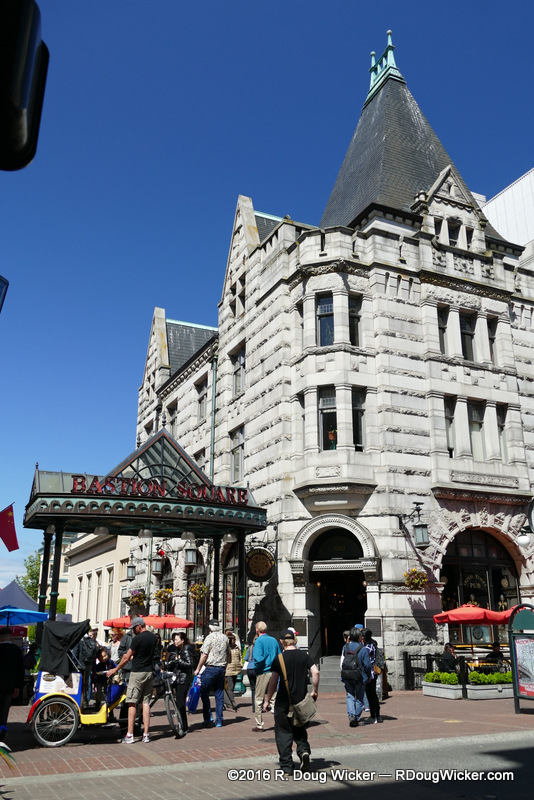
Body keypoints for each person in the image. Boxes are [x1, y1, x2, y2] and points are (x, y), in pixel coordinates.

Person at [263, 629, 319, 776]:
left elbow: (273, 681)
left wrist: (267, 700)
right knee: (300, 730)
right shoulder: (304, 655)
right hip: (301, 702)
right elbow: (315, 672)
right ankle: (303, 751)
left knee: (283, 734)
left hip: (283, 702)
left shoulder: (279, 658)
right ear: (294, 640)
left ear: (281, 641)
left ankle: (287, 766)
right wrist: (314, 691)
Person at [107, 616, 158, 743]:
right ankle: (146, 734)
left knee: (132, 702)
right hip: (149, 672)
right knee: (146, 702)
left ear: (139, 626)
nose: (132, 630)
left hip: (137, 672)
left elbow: (126, 657)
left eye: (134, 628)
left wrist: (115, 669)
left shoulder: (137, 639)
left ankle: (130, 734)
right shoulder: (153, 638)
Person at [193, 619, 230, 728]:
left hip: (210, 668)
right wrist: (225, 666)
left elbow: (204, 655)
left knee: (204, 691)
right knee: (219, 694)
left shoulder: (209, 638)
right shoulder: (225, 638)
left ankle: (208, 716)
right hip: (221, 668)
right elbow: (228, 653)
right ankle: (219, 720)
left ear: (210, 628)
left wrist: (198, 668)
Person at [252, 621, 280, 731]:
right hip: (274, 672)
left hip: (263, 672)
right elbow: (279, 656)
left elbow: (258, 659)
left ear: (257, 630)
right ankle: (279, 723)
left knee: (259, 699)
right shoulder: (273, 640)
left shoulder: (259, 641)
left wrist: (256, 669)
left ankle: (259, 724)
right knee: (274, 698)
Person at [341, 626, 371, 727]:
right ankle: (356, 717)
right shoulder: (363, 649)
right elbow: (367, 665)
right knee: (359, 698)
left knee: (349, 696)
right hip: (359, 676)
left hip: (347, 675)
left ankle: (351, 716)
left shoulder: (346, 647)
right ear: (359, 637)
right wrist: (368, 676)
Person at [167, 632, 195, 734]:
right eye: (174, 640)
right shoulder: (178, 650)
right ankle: (182, 725)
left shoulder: (185, 650)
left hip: (183, 680)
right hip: (178, 679)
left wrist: (178, 661)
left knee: (181, 704)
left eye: (176, 639)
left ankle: (184, 726)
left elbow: (190, 664)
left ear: (182, 640)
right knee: (179, 703)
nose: (174, 641)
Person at [0, 627, 24, 742]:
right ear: (10, 637)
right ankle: (1, 734)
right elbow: (20, 670)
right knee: (4, 712)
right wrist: (18, 686)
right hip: (9, 686)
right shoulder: (16, 650)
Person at [360, 628, 382, 724]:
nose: (361, 637)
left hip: (370, 673)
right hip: (372, 673)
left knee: (371, 695)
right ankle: (377, 715)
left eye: (362, 636)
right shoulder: (372, 644)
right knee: (373, 695)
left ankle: (373, 716)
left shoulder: (368, 647)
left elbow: (363, 657)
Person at [73, 628, 99, 704]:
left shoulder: (79, 640)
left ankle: (79, 700)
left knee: (79, 682)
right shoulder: (92, 641)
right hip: (89, 664)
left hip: (80, 664)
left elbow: (75, 653)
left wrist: (75, 664)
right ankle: (86, 700)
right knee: (87, 682)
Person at [225, 632, 241, 711]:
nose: (234, 641)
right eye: (233, 639)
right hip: (229, 670)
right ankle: (232, 702)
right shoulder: (227, 648)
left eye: (234, 639)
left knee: (232, 686)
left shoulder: (237, 648)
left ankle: (228, 701)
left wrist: (240, 664)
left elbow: (240, 657)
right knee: (230, 686)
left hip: (236, 669)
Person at [244, 636, 257, 709]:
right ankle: (258, 706)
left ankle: (254, 707)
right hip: (256, 668)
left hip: (249, 668)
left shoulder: (250, 647)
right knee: (259, 688)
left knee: (253, 688)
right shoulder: (259, 647)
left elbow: (246, 658)